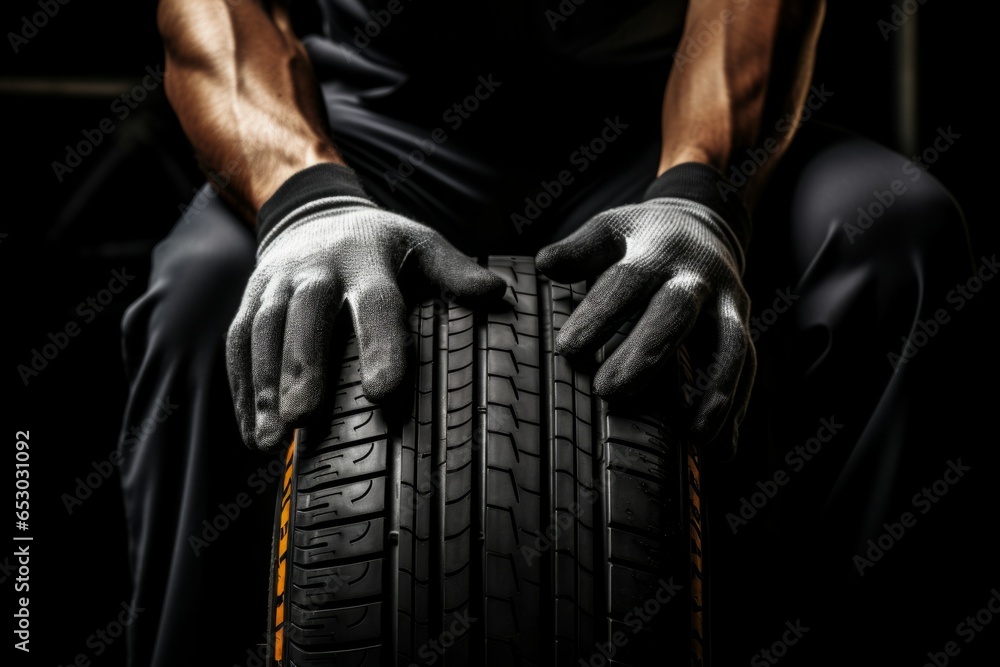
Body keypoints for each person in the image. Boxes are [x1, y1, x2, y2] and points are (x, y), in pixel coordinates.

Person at [118, 0, 972, 664]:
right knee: (198, 301)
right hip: (372, 136)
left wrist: (701, 190)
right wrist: (304, 199)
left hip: (659, 125)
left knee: (895, 236)